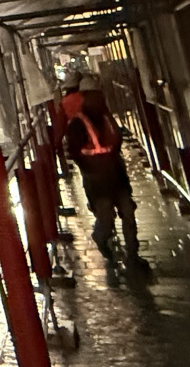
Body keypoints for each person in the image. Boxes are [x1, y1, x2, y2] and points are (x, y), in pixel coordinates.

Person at [62, 73, 149, 272]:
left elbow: (116, 139)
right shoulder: (78, 124)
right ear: (85, 97)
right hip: (97, 181)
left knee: (128, 212)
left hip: (116, 176)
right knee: (106, 218)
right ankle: (102, 241)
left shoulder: (106, 117)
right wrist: (90, 168)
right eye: (92, 95)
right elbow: (74, 151)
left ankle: (133, 256)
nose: (97, 99)